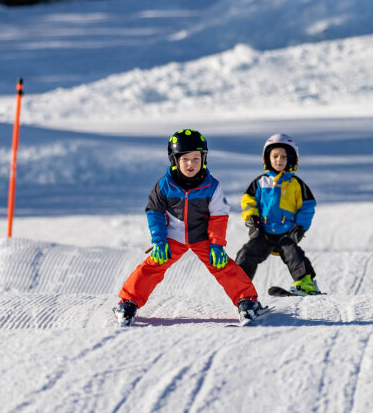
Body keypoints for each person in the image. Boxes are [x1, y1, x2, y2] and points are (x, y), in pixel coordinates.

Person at [115, 129, 264, 324]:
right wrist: (159, 241)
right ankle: (128, 302)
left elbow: (219, 216)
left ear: (204, 159)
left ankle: (247, 300)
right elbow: (155, 213)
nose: (191, 164)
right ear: (174, 160)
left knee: (223, 266)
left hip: (202, 235)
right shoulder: (164, 186)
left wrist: (217, 244)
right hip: (173, 235)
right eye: (185, 159)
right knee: (152, 267)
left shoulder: (212, 186)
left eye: (196, 158)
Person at [235, 132, 320, 295]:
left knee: (294, 254)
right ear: (267, 158)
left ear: (291, 159)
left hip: (286, 232)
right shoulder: (260, 182)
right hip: (264, 231)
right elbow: (248, 201)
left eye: (283, 157)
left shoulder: (296, 184)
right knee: (247, 253)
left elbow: (307, 206)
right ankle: (239, 286)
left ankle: (306, 283)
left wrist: (300, 227)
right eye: (275, 156)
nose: (279, 160)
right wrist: (251, 219)